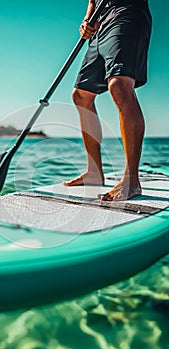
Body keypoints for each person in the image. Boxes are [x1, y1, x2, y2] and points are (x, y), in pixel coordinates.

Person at [64, 0, 152, 201]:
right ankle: (94, 172)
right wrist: (87, 19)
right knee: (81, 95)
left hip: (127, 14)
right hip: (100, 25)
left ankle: (132, 180)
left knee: (119, 84)